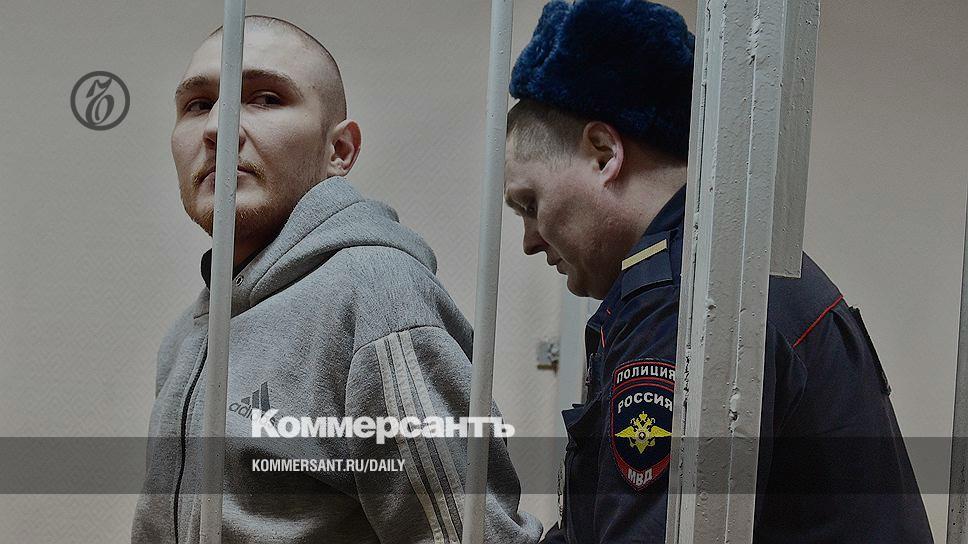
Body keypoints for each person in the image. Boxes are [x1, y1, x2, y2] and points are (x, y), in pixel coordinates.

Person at [503, 1, 933, 542]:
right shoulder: (736, 263)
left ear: (604, 153)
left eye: (531, 204)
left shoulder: (685, 301)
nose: (529, 240)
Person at [131, 15, 542, 543]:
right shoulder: (186, 337)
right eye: (196, 104)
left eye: (266, 99)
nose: (217, 127)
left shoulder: (377, 295)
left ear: (339, 151)